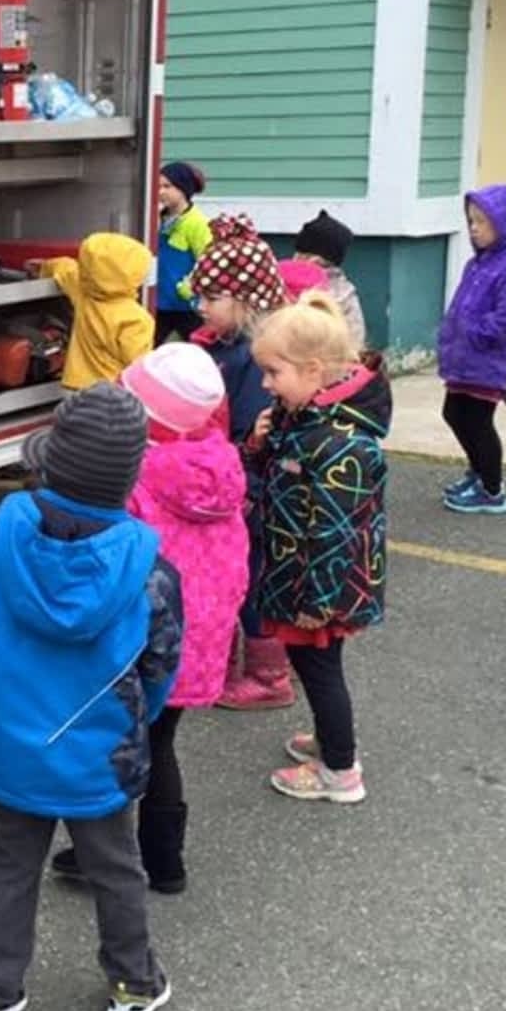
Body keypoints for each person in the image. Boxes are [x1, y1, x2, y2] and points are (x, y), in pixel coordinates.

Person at [0, 386, 183, 1011]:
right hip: (100, 753)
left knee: (10, 861)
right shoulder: (149, 566)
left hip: (7, 741)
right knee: (115, 865)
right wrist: (137, 724)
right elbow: (159, 668)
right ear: (129, 477)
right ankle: (133, 982)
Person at [51, 345, 247, 894]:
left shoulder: (136, 483)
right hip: (197, 642)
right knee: (161, 746)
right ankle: (167, 862)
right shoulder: (222, 471)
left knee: (112, 747)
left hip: (140, 643)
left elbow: (111, 569)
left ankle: (106, 859)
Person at [248, 293, 391, 805]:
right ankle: (333, 740)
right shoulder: (308, 420)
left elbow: (337, 530)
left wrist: (318, 601)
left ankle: (340, 771)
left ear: (312, 371)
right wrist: (263, 445)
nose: (265, 384)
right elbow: (283, 485)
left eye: (272, 372)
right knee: (317, 669)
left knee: (320, 670)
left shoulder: (341, 443)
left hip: (320, 587)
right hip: (302, 574)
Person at [186, 214, 293, 710]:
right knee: (231, 574)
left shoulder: (252, 358)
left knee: (249, 578)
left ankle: (271, 676)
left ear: (246, 302)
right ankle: (231, 660)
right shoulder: (225, 346)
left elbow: (250, 430)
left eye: (210, 298)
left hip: (246, 486)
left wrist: (240, 487)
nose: (200, 306)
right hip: (230, 477)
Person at [436, 185, 506, 516]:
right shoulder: (478, 262)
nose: (474, 228)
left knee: (477, 422)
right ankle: (478, 472)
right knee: (454, 414)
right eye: (471, 221)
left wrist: (476, 334)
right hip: (465, 357)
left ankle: (492, 488)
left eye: (482, 222)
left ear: (505, 224)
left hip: (487, 360)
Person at [35, 231, 157, 390]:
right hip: (113, 393)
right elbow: (138, 366)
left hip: (76, 386)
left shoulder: (83, 293)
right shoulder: (136, 319)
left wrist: (44, 266)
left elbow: (66, 268)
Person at [153, 161, 214, 342]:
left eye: (167, 186)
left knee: (199, 348)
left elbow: (208, 260)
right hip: (158, 302)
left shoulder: (197, 223)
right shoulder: (157, 217)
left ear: (183, 189)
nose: (160, 191)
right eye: (157, 186)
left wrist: (190, 289)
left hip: (186, 305)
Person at [294, 208, 368, 346]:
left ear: (314, 260)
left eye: (299, 254)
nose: (293, 259)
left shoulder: (312, 294)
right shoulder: (346, 292)